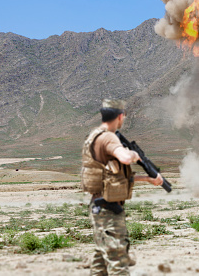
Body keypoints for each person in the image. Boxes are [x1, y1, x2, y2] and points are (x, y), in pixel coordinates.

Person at [81, 99, 163, 275]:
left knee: (101, 258)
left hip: (99, 206)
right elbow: (125, 158)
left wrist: (148, 179)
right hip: (108, 210)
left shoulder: (94, 136)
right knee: (118, 258)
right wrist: (134, 154)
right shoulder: (108, 137)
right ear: (120, 116)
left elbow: (114, 178)